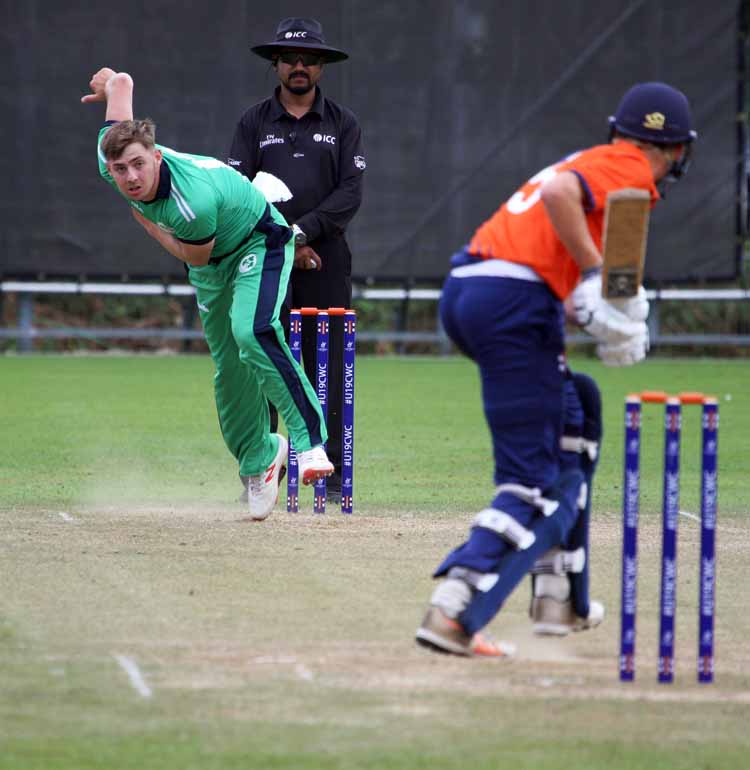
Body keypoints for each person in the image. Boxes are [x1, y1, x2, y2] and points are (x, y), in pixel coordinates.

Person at [415, 82, 697, 657]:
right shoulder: (629, 165)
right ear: (676, 149)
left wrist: (605, 311)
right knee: (538, 484)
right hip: (511, 302)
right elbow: (559, 195)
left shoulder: (601, 164)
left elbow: (577, 265)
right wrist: (595, 276)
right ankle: (454, 610)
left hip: (475, 290)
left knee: (578, 412)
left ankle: (559, 596)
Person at [81, 67, 336, 521]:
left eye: (138, 164)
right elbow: (123, 87)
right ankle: (260, 460)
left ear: (157, 155)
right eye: (120, 169)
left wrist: (148, 224)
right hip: (211, 265)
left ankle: (310, 442)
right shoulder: (110, 158)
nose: (131, 177)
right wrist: (111, 84)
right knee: (229, 369)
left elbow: (192, 255)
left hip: (258, 242)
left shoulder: (190, 203)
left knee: (252, 332)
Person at [227, 17, 365, 504]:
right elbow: (238, 191)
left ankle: (332, 474)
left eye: (309, 59)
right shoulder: (253, 122)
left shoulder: (343, 123)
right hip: (265, 257)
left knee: (328, 367)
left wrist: (301, 234)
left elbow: (350, 193)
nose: (299, 66)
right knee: (264, 362)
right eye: (290, 58)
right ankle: (263, 472)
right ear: (276, 64)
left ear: (322, 66)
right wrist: (282, 240)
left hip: (325, 259)